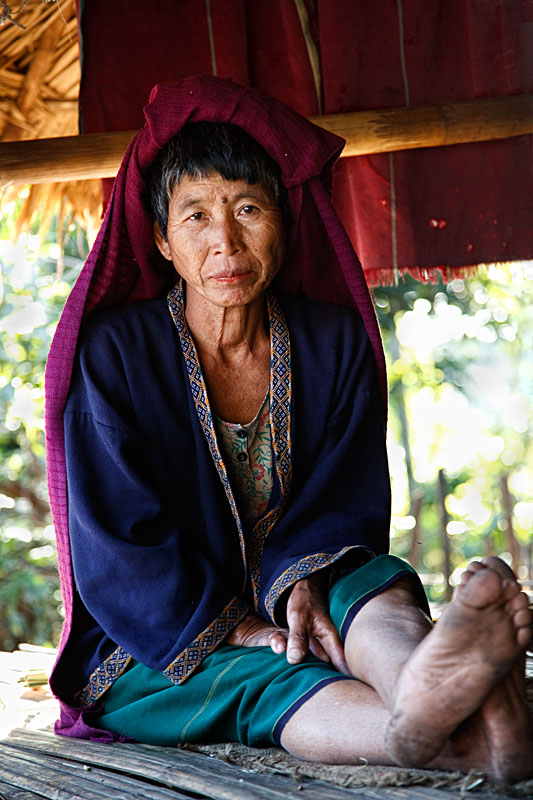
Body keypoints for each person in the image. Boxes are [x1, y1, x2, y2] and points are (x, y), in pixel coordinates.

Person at [45, 76, 532, 779]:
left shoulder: (331, 344)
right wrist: (240, 626)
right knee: (267, 678)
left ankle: (418, 679)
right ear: (160, 240)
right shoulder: (117, 351)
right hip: (151, 640)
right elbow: (116, 540)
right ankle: (447, 728)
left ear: (283, 219)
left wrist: (305, 579)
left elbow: (341, 498)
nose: (226, 242)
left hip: (300, 599)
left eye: (247, 208)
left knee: (370, 582)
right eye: (197, 217)